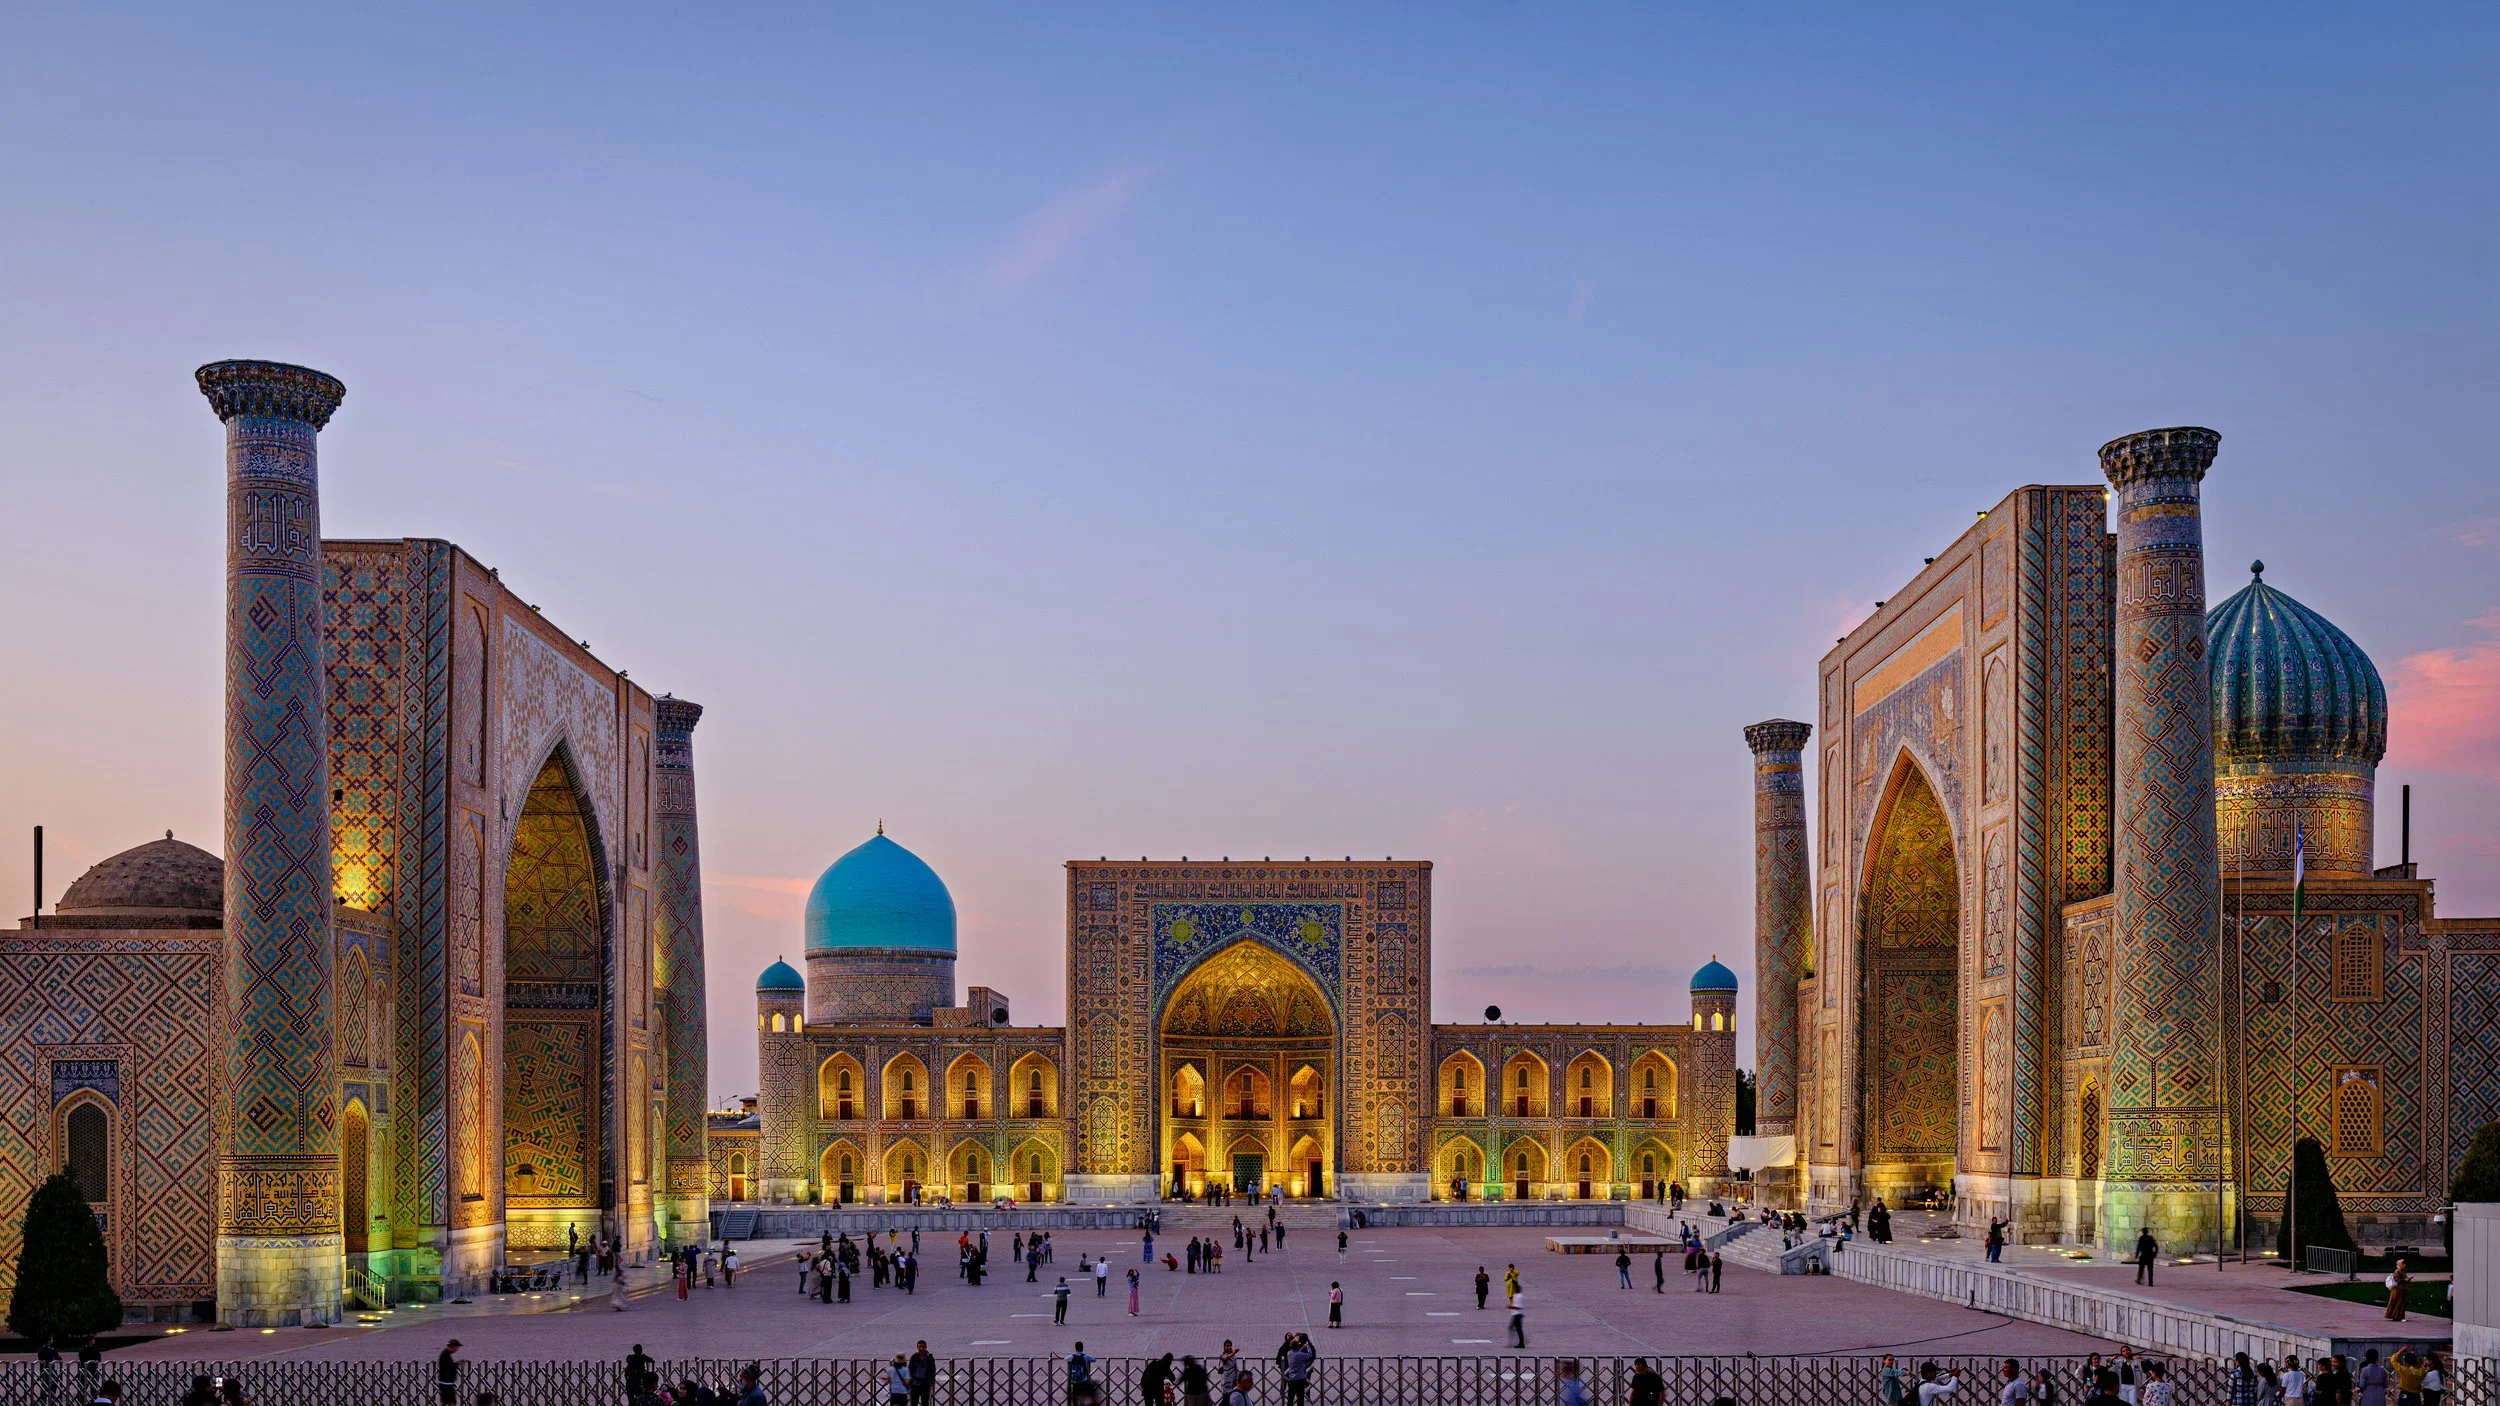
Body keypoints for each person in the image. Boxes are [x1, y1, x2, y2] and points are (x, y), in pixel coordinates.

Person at [437, 1339, 464, 1406]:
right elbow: (448, 1367)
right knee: (452, 1402)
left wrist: (457, 1363)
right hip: (447, 1383)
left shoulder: (445, 1354)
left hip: (445, 1383)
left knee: (444, 1401)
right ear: (452, 1346)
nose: (457, 1349)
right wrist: (457, 1364)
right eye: (456, 1347)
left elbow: (448, 1366)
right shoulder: (445, 1355)